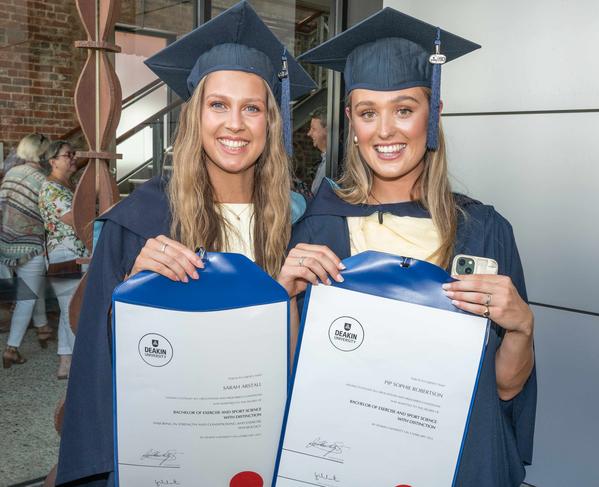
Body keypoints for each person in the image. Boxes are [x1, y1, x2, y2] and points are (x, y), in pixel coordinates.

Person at [55, 2, 315, 485]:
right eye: (218, 104)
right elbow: (98, 364)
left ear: (269, 123)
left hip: (263, 448)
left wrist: (286, 301)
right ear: (194, 117)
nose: (234, 124)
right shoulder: (140, 225)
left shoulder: (297, 227)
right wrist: (131, 298)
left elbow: (305, 369)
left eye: (251, 108)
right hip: (166, 457)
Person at [278, 7, 536, 487]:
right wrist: (284, 299)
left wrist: (522, 328)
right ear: (351, 123)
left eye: (404, 109)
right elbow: (293, 376)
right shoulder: (318, 228)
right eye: (368, 113)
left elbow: (504, 389)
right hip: (343, 462)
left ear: (431, 115)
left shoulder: (482, 231)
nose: (385, 131)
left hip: (456, 464)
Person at [1, 132, 53, 367]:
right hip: (31, 246)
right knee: (27, 297)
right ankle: (12, 349)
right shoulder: (43, 179)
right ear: (42, 153)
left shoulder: (10, 174)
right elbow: (50, 218)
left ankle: (42, 327)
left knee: (34, 286)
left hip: (6, 243)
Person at [39, 141, 87, 379]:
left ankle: (65, 362)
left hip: (76, 253)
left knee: (68, 306)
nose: (73, 158)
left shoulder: (70, 184)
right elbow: (73, 219)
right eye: (68, 155)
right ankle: (79, 363)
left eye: (73, 154)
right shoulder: (51, 189)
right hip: (64, 255)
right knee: (72, 308)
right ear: (53, 161)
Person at [307, 107, 328, 193]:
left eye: (314, 129)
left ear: (326, 130)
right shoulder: (325, 160)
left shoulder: (333, 163)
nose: (309, 133)